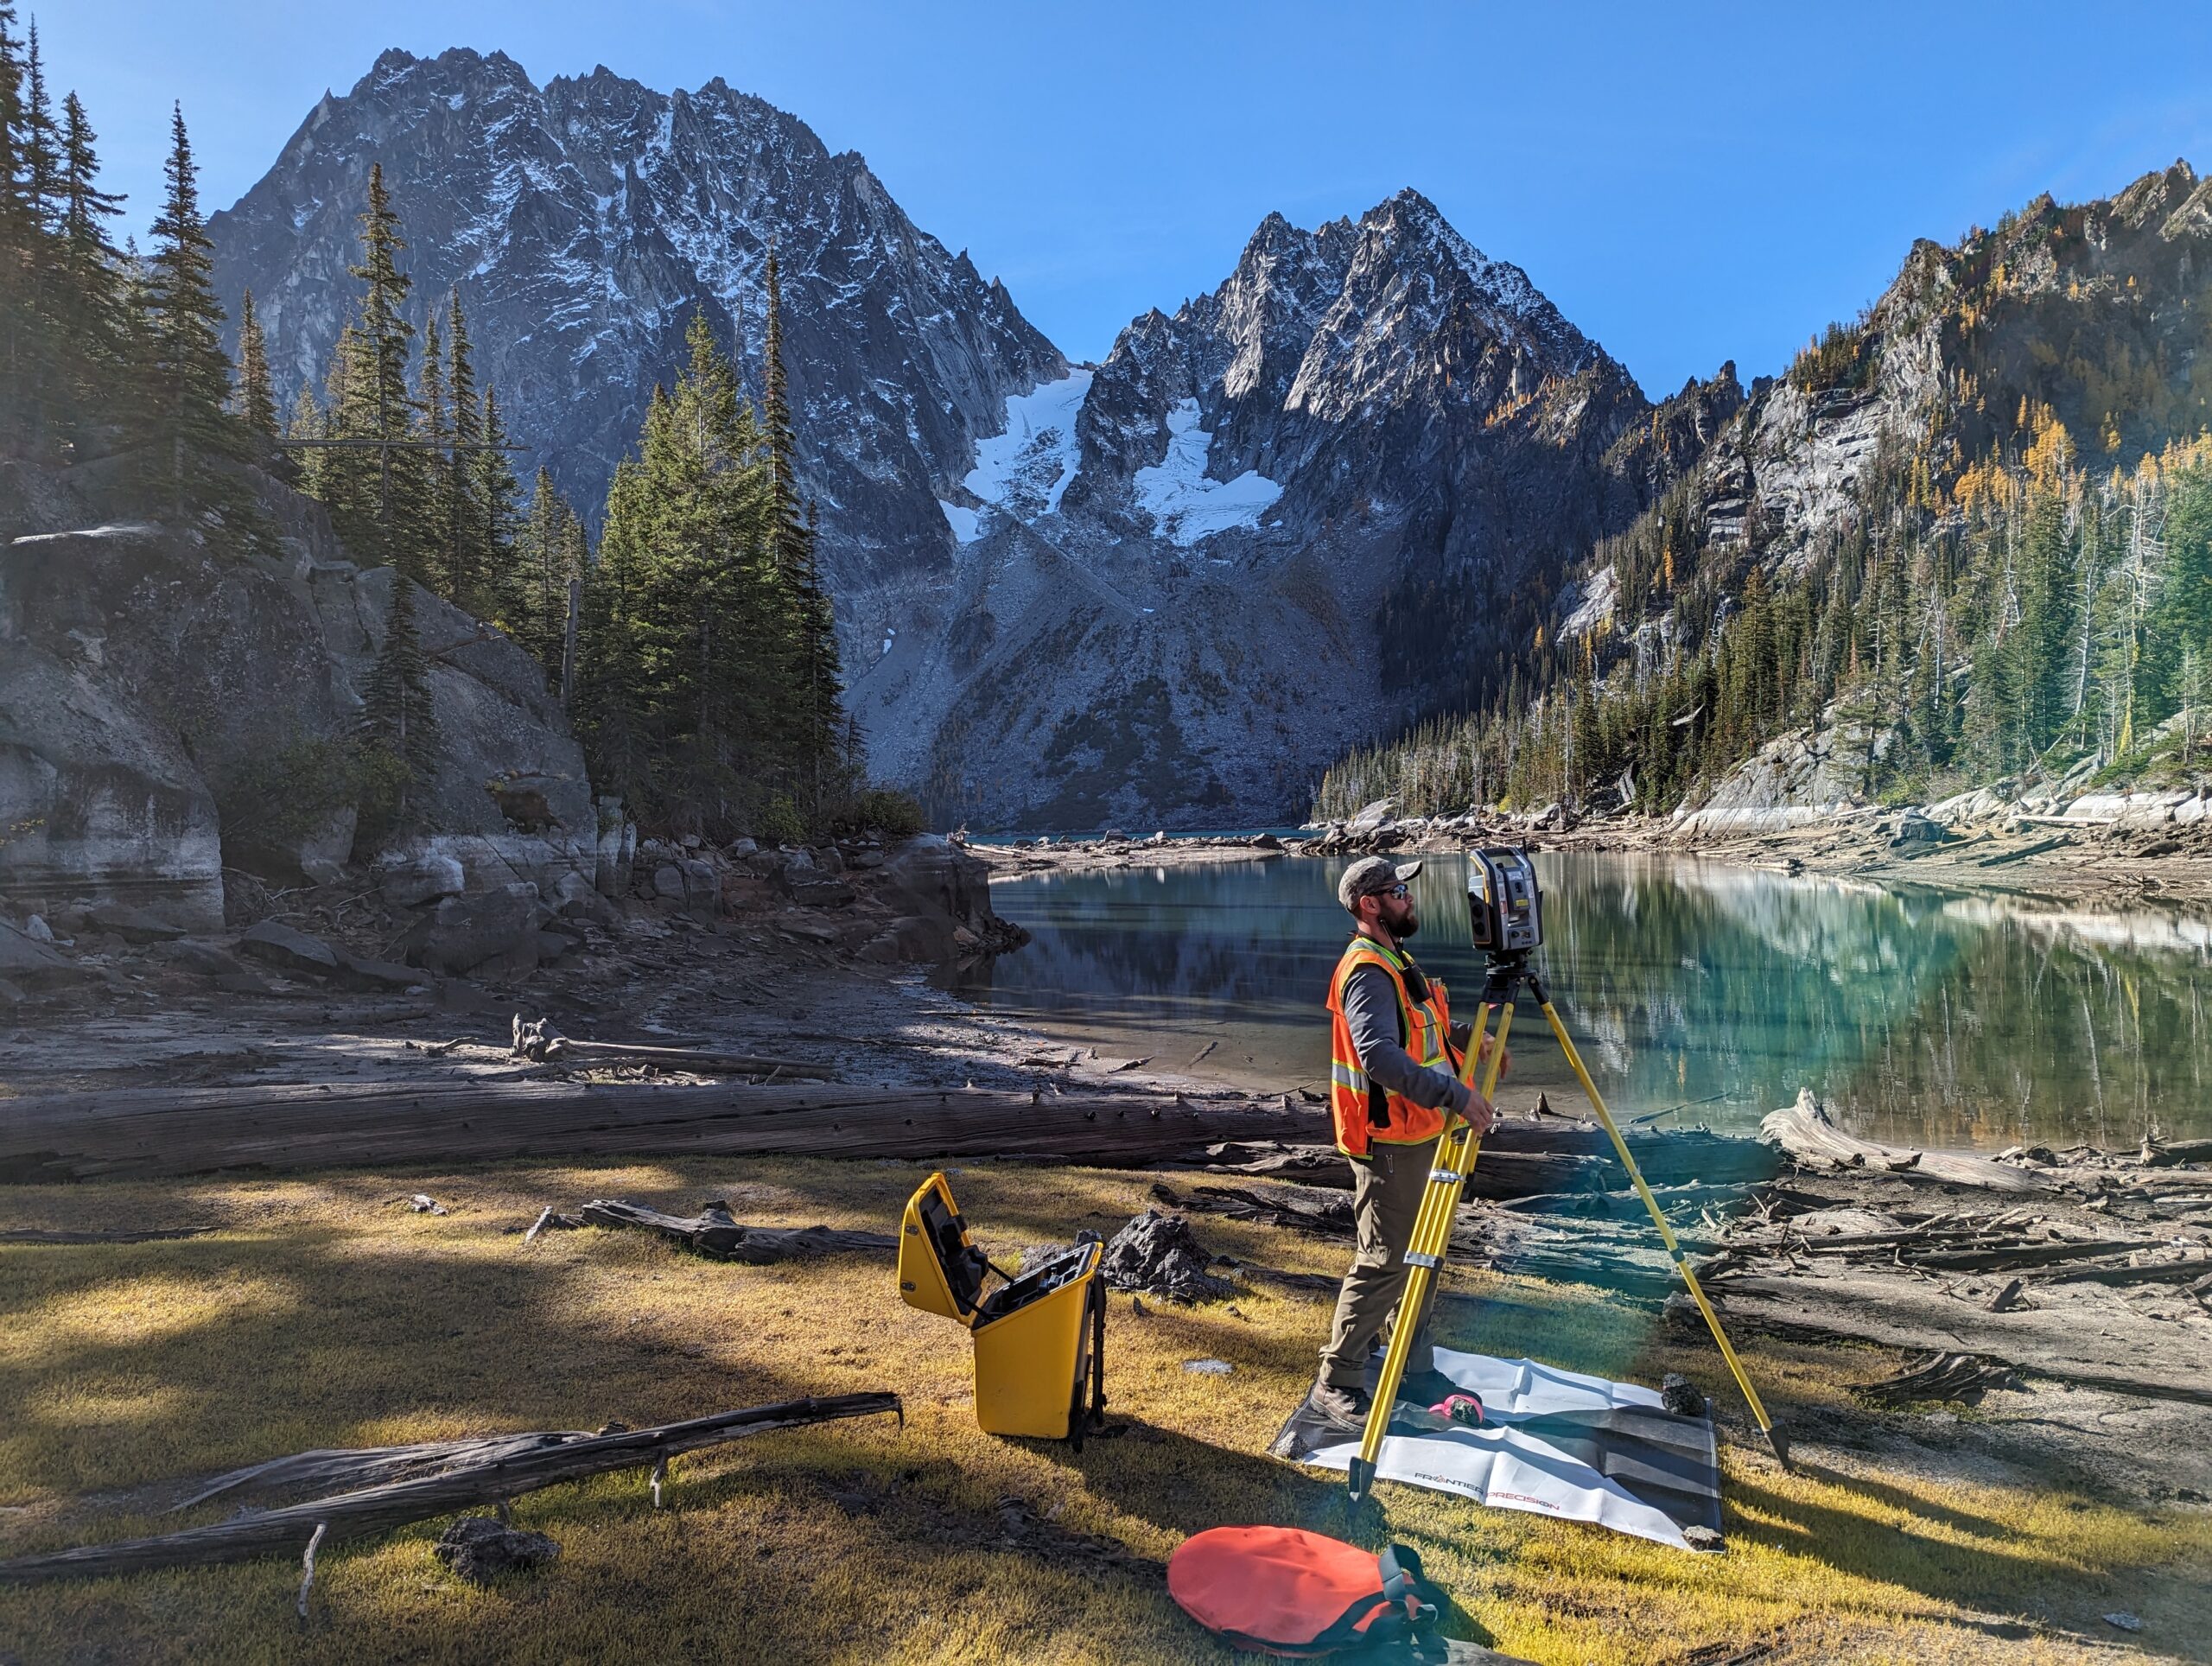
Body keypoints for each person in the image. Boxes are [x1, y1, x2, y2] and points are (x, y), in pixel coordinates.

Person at [1307, 855, 1502, 1428]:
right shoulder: (1367, 969)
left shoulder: (1396, 959)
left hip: (1422, 1133)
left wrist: (1473, 1039)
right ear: (1370, 904)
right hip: (1389, 1139)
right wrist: (1455, 1095)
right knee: (1385, 1261)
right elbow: (1381, 1057)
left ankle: (1413, 1369)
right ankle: (1336, 1379)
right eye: (1398, 890)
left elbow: (1424, 1029)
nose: (1408, 897)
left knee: (1424, 1258)